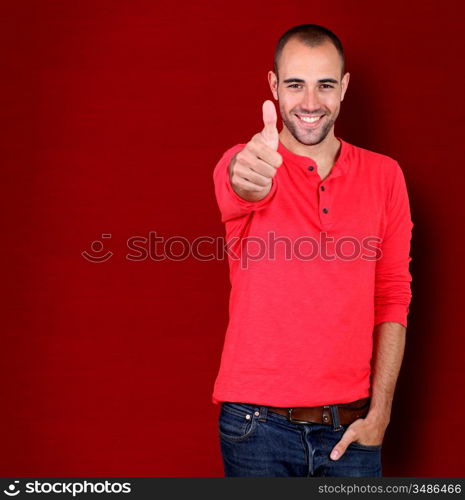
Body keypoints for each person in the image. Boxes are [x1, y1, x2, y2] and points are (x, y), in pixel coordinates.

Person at [211, 24, 413, 477]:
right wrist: (247, 176)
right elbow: (239, 183)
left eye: (324, 85)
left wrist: (380, 415)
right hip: (255, 427)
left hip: (351, 430)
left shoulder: (385, 177)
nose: (309, 102)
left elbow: (393, 297)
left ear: (343, 87)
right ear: (273, 87)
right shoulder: (245, 162)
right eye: (295, 84)